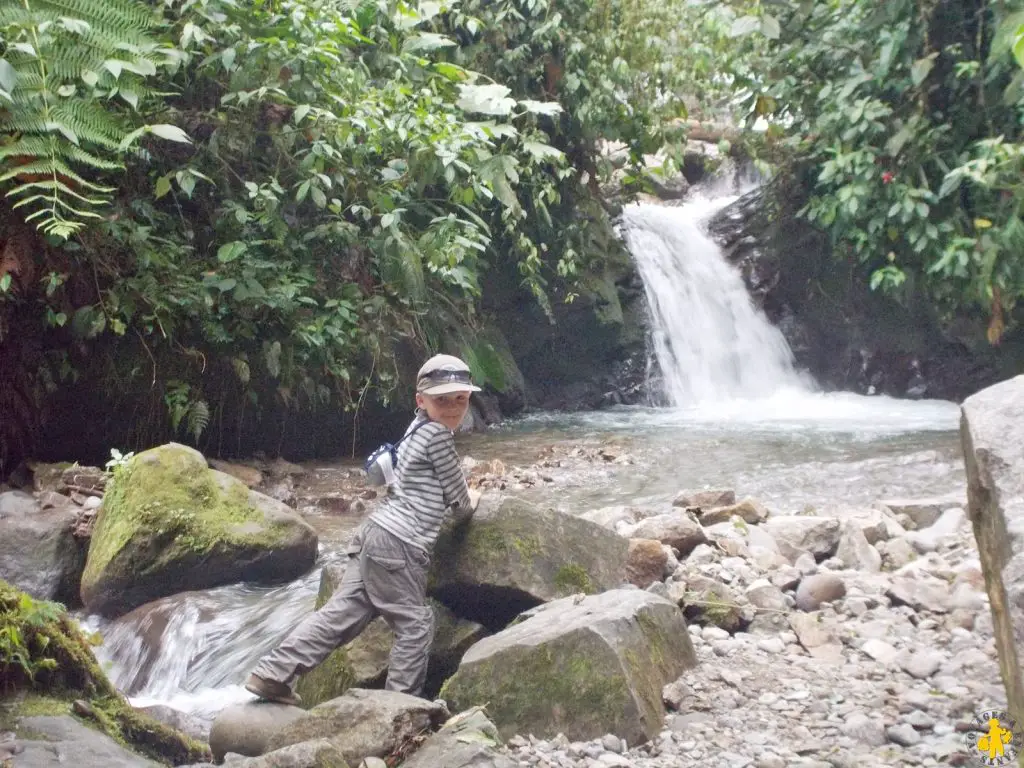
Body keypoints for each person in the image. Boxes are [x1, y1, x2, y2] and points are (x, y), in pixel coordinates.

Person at [244, 354, 483, 705]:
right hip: (401, 544)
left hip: (374, 534)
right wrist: (474, 499)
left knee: (341, 615)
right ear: (421, 401)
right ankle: (398, 708)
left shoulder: (414, 428)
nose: (452, 408)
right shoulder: (438, 439)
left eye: (459, 399)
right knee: (415, 626)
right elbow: (460, 502)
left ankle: (271, 673)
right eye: (442, 399)